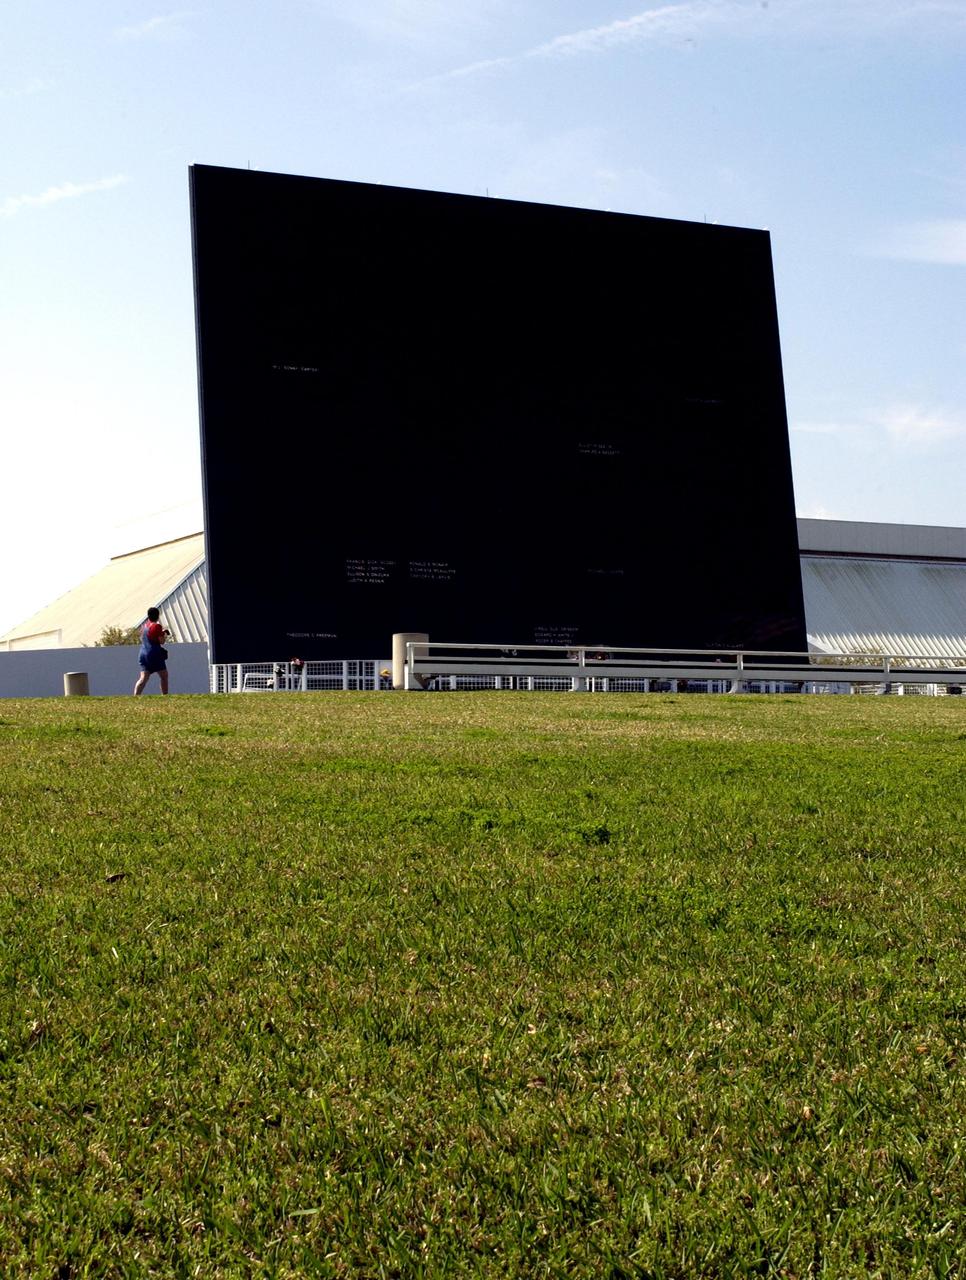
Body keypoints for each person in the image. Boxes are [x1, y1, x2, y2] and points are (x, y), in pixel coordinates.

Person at [133, 607, 169, 695]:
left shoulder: (145, 626)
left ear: (148, 616)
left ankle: (136, 696)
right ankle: (165, 696)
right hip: (154, 654)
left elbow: (147, 637)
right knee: (164, 676)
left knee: (143, 678)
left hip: (143, 654)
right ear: (158, 616)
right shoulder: (157, 626)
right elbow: (161, 641)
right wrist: (164, 634)